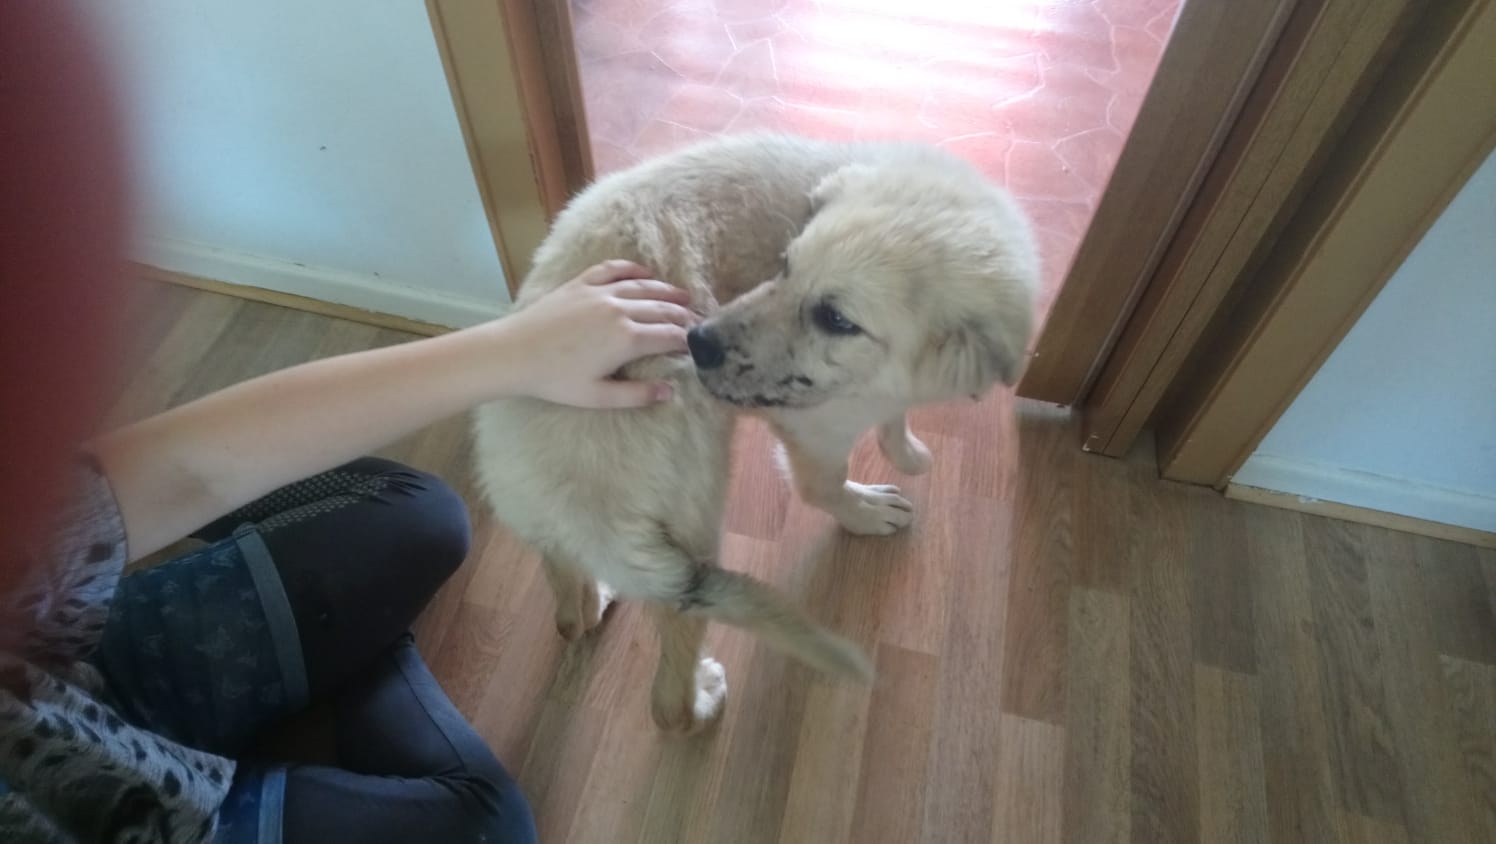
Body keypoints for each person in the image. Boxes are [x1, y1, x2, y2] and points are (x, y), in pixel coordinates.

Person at [1, 3, 696, 842]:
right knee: (490, 828)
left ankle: (286, 677)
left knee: (418, 516)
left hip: (70, 680)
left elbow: (187, 472)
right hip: (131, 816)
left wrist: (514, 349)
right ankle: (316, 698)